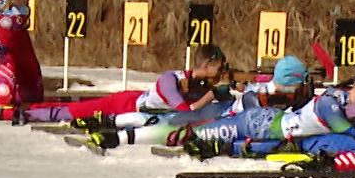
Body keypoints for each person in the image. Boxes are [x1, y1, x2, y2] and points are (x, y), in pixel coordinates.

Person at [180, 56, 355, 157]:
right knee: (190, 134)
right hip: (263, 123)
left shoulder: (334, 101)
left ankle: (216, 144)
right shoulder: (329, 103)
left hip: (271, 125)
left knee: (275, 145)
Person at [22, 45, 227, 127]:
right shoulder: (169, 80)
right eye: (218, 68)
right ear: (206, 65)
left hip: (140, 106)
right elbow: (183, 109)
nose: (220, 73)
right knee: (71, 112)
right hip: (124, 104)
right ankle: (23, 112)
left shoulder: (197, 83)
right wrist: (207, 98)